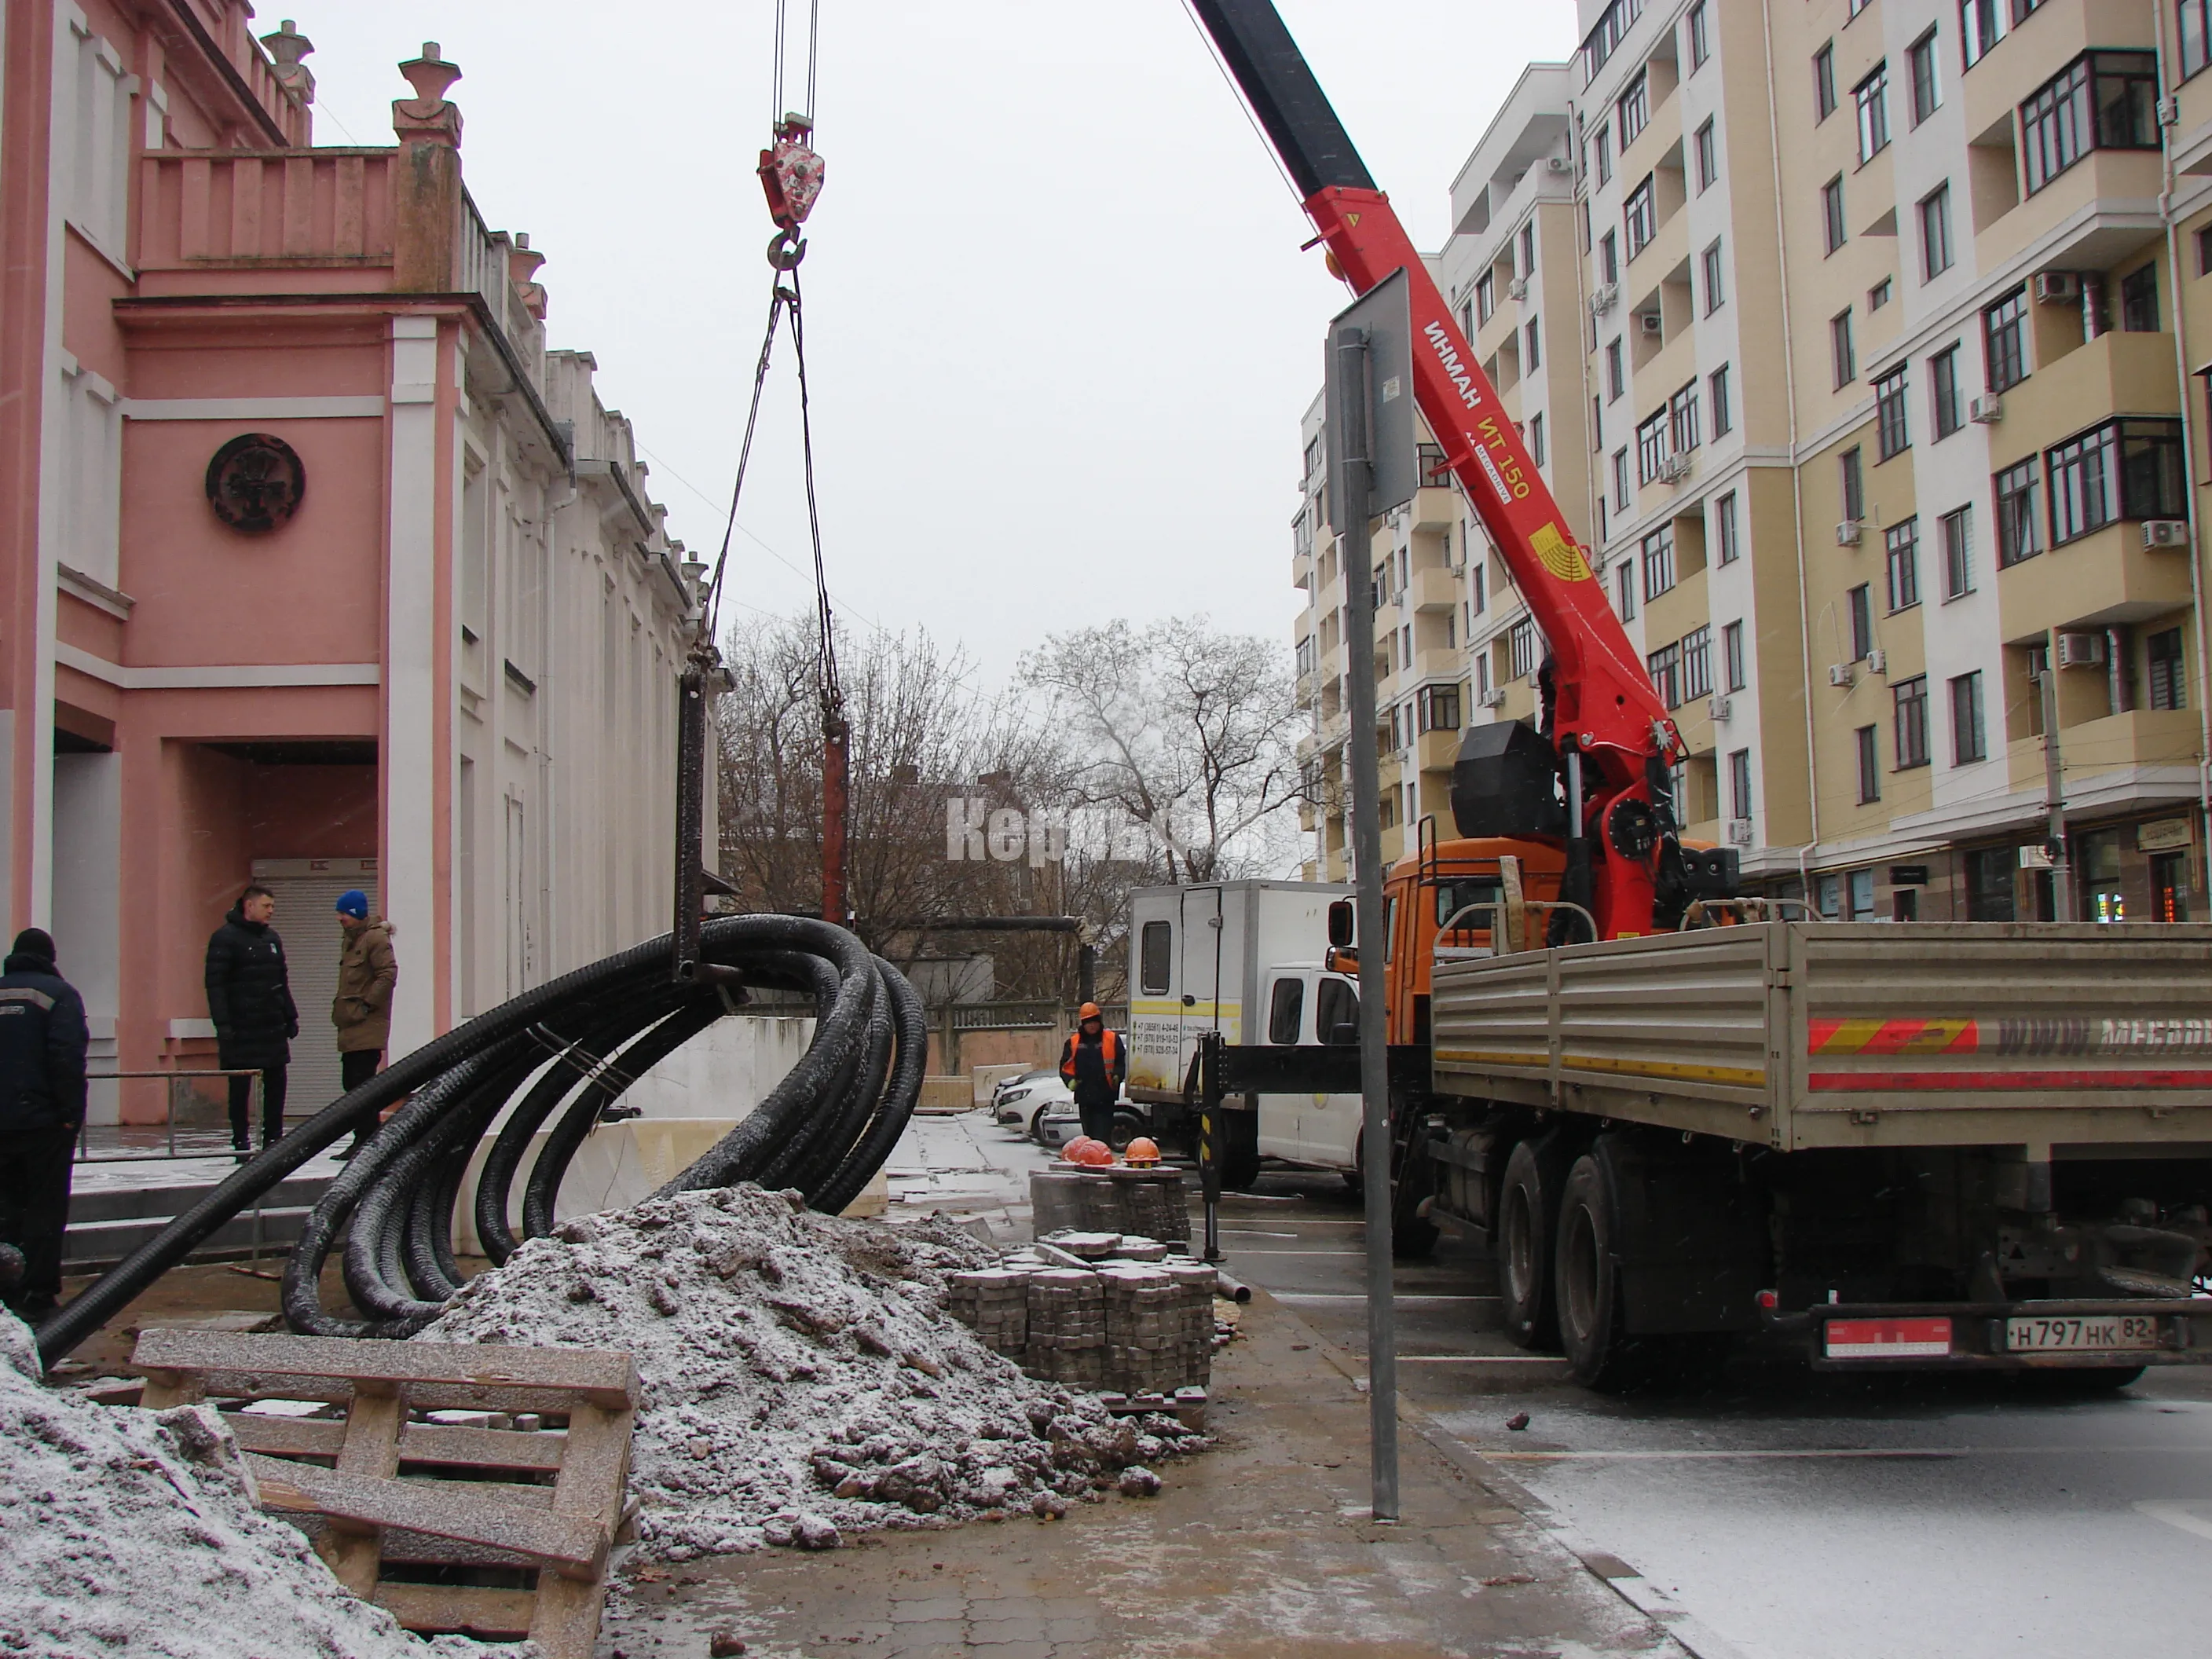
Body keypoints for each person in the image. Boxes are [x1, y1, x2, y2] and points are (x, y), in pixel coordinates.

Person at [0, 928, 89, 1320]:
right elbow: (67, 1059)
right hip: (43, 1124)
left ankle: (5, 1287)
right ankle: (36, 1293)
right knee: (44, 1208)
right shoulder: (59, 995)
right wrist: (70, 1114)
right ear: (50, 958)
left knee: (6, 1208)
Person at [204, 884, 297, 1159]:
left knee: (276, 1082)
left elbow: (281, 981)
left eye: (272, 906)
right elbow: (215, 986)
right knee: (240, 1086)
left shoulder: (271, 939)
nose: (271, 911)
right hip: (241, 1026)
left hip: (271, 1024)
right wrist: (223, 1025)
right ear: (249, 906)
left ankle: (273, 1139)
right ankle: (241, 1141)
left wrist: (290, 1015)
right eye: (266, 906)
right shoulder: (225, 939)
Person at [331, 890, 397, 1157]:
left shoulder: (374, 939)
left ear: (356, 913)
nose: (340, 918)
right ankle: (363, 1137)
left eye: (343, 913)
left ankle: (367, 1140)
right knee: (352, 1083)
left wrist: (367, 1005)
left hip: (366, 1024)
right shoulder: (352, 940)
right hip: (351, 1024)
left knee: (361, 1084)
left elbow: (387, 974)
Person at [1058, 1001, 1126, 1145]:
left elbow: (1121, 1061)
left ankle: (1100, 1155)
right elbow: (1065, 1066)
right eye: (1088, 1022)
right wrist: (1070, 1080)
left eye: (1094, 1021)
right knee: (1089, 1137)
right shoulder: (1073, 1042)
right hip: (1085, 1096)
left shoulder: (1112, 1039)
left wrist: (1117, 1075)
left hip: (1105, 1095)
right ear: (1083, 1024)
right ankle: (1092, 1156)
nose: (1092, 1025)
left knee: (1102, 1136)